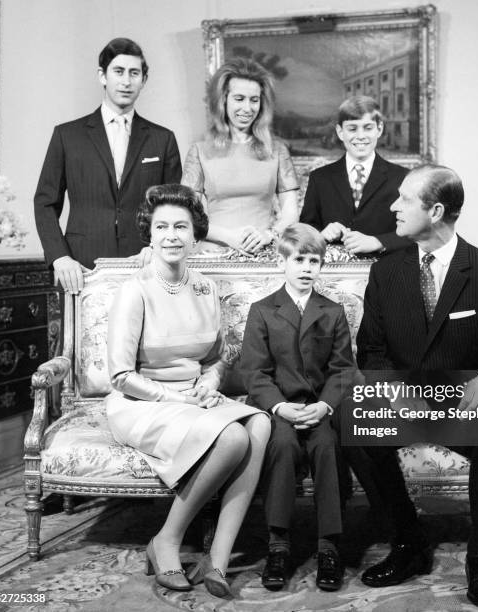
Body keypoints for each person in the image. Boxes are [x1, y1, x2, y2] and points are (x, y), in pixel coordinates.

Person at [354, 165, 478, 608]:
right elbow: (370, 352)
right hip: (403, 401)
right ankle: (409, 542)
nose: (393, 207)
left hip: (461, 406)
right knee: (350, 420)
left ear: (435, 210)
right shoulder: (385, 274)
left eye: (404, 199)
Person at [106, 184, 270, 597]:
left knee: (261, 426)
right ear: (150, 233)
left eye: (181, 226)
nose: (171, 236)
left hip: (194, 398)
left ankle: (217, 558)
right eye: (161, 226)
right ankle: (167, 539)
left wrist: (211, 382)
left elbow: (217, 356)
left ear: (196, 233)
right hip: (140, 403)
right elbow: (120, 375)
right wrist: (177, 397)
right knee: (233, 435)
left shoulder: (206, 288)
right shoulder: (135, 290)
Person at [240, 223, 356, 592]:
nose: (307, 268)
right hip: (282, 408)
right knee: (284, 446)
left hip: (319, 406)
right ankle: (278, 544)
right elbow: (254, 372)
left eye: (314, 261)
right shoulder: (263, 310)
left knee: (326, 446)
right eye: (299, 260)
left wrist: (325, 406)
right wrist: (278, 407)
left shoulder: (333, 311)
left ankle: (329, 546)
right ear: (283, 263)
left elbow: (343, 369)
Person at [34, 38, 182, 294]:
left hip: (147, 265)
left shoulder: (163, 138)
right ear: (102, 76)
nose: (126, 81)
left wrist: (157, 247)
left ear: (143, 80)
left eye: (134, 73)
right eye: (118, 71)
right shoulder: (67, 135)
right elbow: (45, 203)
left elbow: (173, 207)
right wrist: (60, 257)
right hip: (81, 268)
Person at [182, 58, 299, 254]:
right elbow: (187, 215)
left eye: (254, 100)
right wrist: (229, 237)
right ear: (223, 100)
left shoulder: (277, 151)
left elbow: (291, 213)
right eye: (239, 99)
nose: (247, 108)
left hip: (265, 253)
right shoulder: (199, 151)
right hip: (214, 256)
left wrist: (268, 235)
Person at [300, 95, 410, 256]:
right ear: (340, 132)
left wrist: (378, 242)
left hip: (387, 270)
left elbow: (415, 233)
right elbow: (305, 230)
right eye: (352, 129)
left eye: (368, 128)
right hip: (335, 273)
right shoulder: (320, 178)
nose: (360, 136)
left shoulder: (402, 177)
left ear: (379, 129)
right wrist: (321, 234)